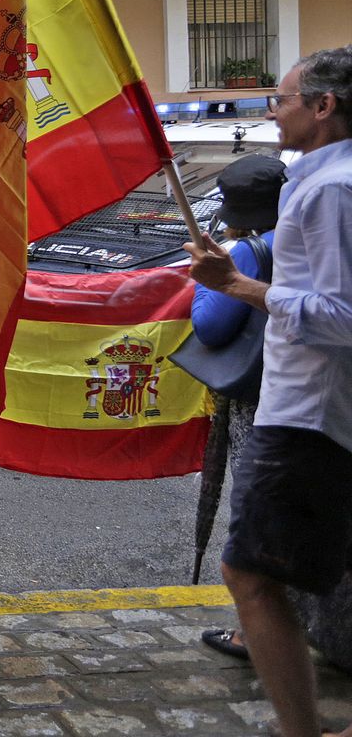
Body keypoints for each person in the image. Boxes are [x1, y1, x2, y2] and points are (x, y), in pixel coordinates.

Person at [185, 45, 352, 737]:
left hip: (308, 415)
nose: (270, 111)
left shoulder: (331, 190)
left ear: (323, 106)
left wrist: (241, 287)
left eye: (281, 99)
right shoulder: (315, 183)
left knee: (248, 575)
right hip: (311, 407)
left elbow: (342, 314)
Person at [187, 154, 285, 661]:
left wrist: (201, 281)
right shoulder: (303, 237)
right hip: (310, 390)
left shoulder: (248, 252)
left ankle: (257, 631)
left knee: (257, 515)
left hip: (260, 395)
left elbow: (211, 325)